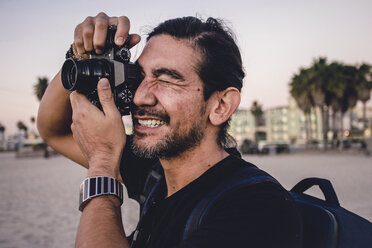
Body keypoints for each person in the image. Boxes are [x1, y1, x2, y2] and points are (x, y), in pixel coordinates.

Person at [37, 12, 303, 248]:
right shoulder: (154, 169)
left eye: (165, 80)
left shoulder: (255, 208)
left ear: (221, 105)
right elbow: (53, 131)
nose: (140, 97)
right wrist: (80, 56)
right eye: (139, 77)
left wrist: (103, 163)